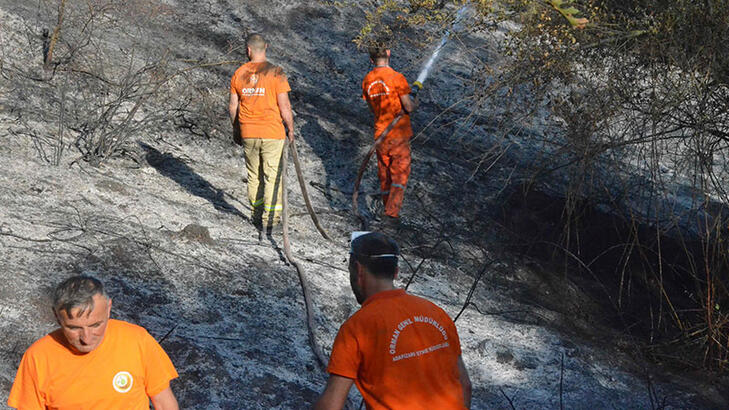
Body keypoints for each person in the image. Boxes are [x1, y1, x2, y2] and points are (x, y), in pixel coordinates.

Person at [315, 232, 472, 409]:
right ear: (395, 272)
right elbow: (464, 385)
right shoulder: (437, 313)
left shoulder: (356, 328)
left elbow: (331, 405)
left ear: (358, 270)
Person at [7, 276, 179, 410]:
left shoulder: (136, 339)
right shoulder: (38, 357)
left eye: (96, 325)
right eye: (74, 328)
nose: (86, 338)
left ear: (109, 308)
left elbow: (163, 402)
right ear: (57, 317)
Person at [229, 33, 295, 232]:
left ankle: (257, 216)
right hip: (272, 132)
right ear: (266, 47)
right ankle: (272, 221)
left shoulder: (239, 73)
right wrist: (290, 128)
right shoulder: (276, 72)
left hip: (249, 131)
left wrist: (237, 129)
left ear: (248, 50)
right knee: (272, 176)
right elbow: (284, 106)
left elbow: (233, 107)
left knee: (254, 175)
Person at [362, 44, 417, 226]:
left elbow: (372, 108)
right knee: (399, 175)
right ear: (388, 54)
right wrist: (413, 101)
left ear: (371, 60)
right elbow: (408, 107)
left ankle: (387, 209)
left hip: (380, 135)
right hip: (398, 135)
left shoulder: (368, 80)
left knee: (385, 174)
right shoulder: (397, 78)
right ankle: (391, 215)